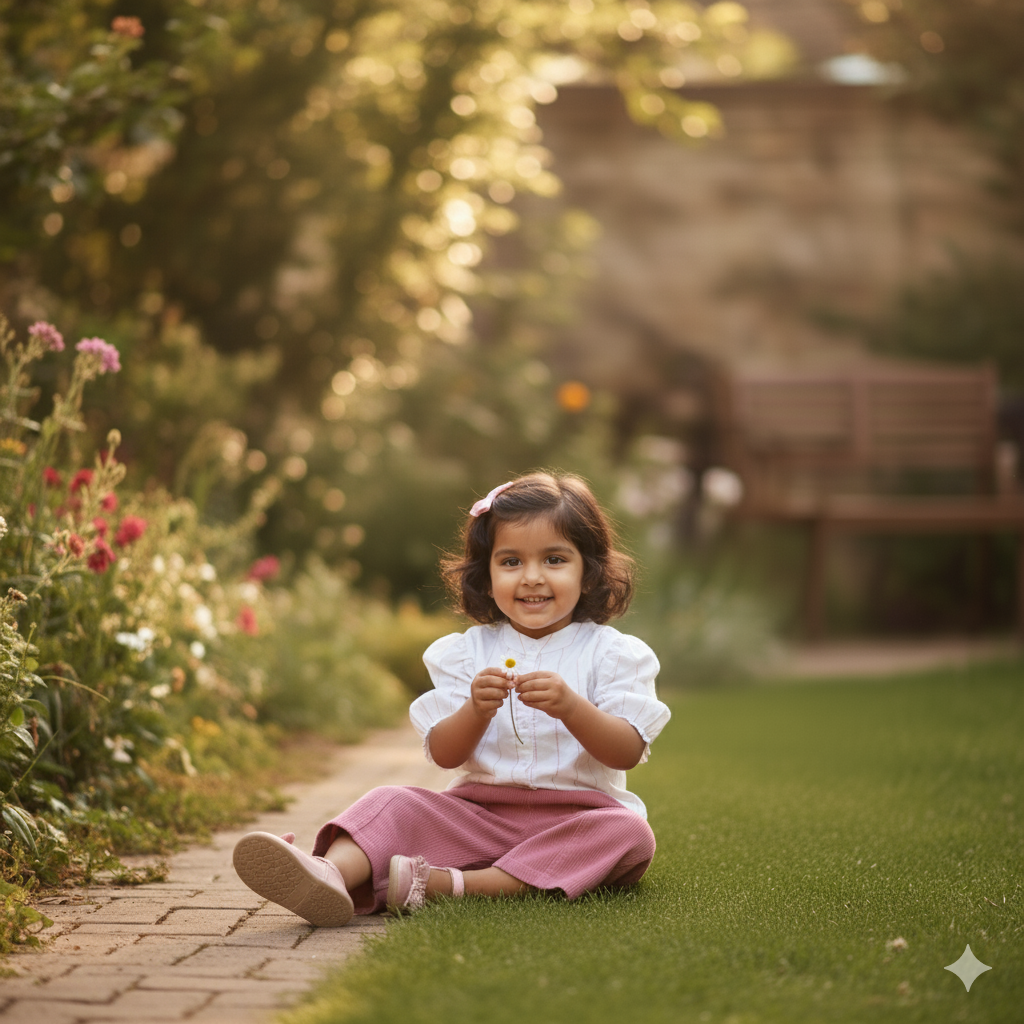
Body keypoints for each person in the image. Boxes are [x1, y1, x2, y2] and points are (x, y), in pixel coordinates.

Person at [232, 471, 671, 926]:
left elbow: (627, 750)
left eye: (555, 559)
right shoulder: (466, 653)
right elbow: (445, 755)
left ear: (589, 570)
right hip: (476, 817)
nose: (532, 577)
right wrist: (476, 710)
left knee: (629, 833)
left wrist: (572, 707)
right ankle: (327, 873)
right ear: (486, 575)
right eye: (511, 562)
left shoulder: (614, 653)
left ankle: (449, 885)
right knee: (393, 801)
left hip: (576, 820)